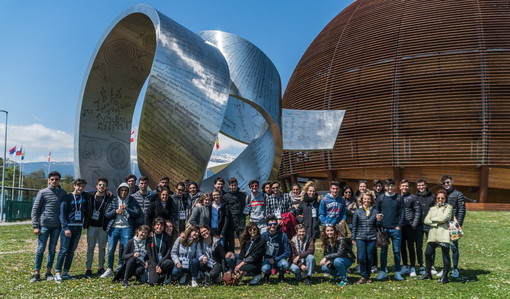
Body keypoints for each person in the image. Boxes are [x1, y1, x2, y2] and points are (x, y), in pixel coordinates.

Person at [30, 171, 67, 283]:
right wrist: (35, 226)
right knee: (40, 249)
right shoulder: (42, 192)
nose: (54, 181)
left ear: (59, 180)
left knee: (52, 250)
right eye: (52, 179)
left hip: (56, 227)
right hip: (44, 226)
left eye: (56, 179)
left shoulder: (63, 193)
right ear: (49, 180)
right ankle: (36, 273)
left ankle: (48, 272)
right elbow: (35, 210)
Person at [101, 182, 141, 278]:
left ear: (128, 191)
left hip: (126, 228)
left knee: (127, 250)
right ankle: (110, 268)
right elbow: (106, 214)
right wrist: (115, 211)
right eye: (122, 190)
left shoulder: (132, 200)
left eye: (126, 190)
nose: (123, 192)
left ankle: (124, 268)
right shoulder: (114, 200)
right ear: (118, 191)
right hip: (114, 228)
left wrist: (127, 209)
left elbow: (137, 213)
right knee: (110, 249)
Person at [54, 178, 89, 283]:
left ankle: (66, 271)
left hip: (78, 227)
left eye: (82, 186)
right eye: (79, 186)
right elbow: (62, 213)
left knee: (71, 251)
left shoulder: (84, 196)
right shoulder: (67, 197)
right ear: (74, 185)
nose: (80, 188)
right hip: (68, 227)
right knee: (64, 250)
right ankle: (57, 272)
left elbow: (95, 192)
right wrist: (65, 228)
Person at [419, 189, 453, 284]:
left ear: (445, 199)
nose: (440, 200)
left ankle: (445, 276)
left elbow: (445, 218)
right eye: (438, 198)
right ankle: (428, 273)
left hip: (444, 234)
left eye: (442, 198)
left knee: (445, 255)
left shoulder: (448, 207)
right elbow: (426, 220)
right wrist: (436, 223)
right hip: (433, 234)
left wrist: (433, 220)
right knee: (427, 253)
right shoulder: (432, 208)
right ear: (435, 199)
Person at [375, 179, 405, 281]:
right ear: (385, 187)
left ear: (394, 186)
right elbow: (377, 211)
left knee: (396, 251)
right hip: (384, 229)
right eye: (388, 186)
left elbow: (402, 213)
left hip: (395, 229)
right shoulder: (381, 198)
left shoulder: (399, 198)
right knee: (383, 251)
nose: (390, 188)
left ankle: (397, 271)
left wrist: (399, 225)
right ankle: (383, 271)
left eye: (392, 186)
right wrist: (379, 223)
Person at [352, 191, 382, 284]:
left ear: (371, 200)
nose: (367, 200)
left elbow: (378, 226)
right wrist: (353, 237)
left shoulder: (375, 211)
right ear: (361, 200)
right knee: (361, 257)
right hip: (360, 237)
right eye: (365, 199)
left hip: (372, 237)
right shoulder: (357, 211)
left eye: (368, 199)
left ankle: (368, 276)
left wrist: (379, 220)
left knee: (369, 257)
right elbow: (354, 225)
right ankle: (363, 275)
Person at [84, 177, 112, 277]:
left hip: (102, 226)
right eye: (100, 185)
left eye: (104, 185)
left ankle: (101, 267)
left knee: (102, 248)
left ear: (106, 187)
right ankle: (88, 269)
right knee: (90, 248)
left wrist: (108, 191)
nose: (101, 187)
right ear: (96, 186)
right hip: (91, 226)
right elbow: (83, 191)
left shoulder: (109, 197)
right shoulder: (90, 196)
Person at [440, 175, 466, 278]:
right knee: (444, 247)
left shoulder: (458, 194)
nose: (446, 184)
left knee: (454, 247)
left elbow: (462, 210)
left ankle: (455, 268)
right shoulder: (441, 194)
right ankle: (445, 268)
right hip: (443, 224)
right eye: (444, 183)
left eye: (448, 182)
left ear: (452, 182)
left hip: (453, 224)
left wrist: (458, 224)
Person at [399, 179, 421, 277]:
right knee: (402, 247)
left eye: (406, 186)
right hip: (400, 226)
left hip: (410, 226)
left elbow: (417, 211)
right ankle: (405, 265)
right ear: (400, 187)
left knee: (411, 247)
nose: (404, 187)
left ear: (409, 187)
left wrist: (414, 225)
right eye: (403, 186)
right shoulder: (397, 197)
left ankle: (412, 266)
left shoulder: (413, 197)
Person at [261, 215, 291, 283]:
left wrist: (275, 259)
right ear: (267, 226)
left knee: (285, 265)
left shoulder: (283, 235)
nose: (272, 226)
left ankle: (281, 274)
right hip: (267, 259)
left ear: (277, 225)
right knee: (265, 268)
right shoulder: (264, 235)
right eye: (270, 224)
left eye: (274, 224)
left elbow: (288, 252)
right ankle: (267, 275)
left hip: (279, 258)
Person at [415, 178, 435, 275]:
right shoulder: (415, 197)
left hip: (429, 225)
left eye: (422, 185)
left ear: (426, 185)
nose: (421, 187)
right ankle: (421, 264)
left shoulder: (432, 196)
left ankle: (431, 265)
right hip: (418, 225)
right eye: (419, 186)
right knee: (419, 246)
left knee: (431, 245)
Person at [146, 218, 174, 285]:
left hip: (163, 262)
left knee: (169, 263)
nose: (159, 227)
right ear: (154, 226)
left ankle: (165, 274)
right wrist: (156, 266)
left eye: (161, 225)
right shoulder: (150, 238)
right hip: (153, 263)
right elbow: (149, 255)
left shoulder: (167, 238)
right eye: (157, 225)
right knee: (152, 282)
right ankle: (157, 274)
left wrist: (159, 265)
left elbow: (168, 253)